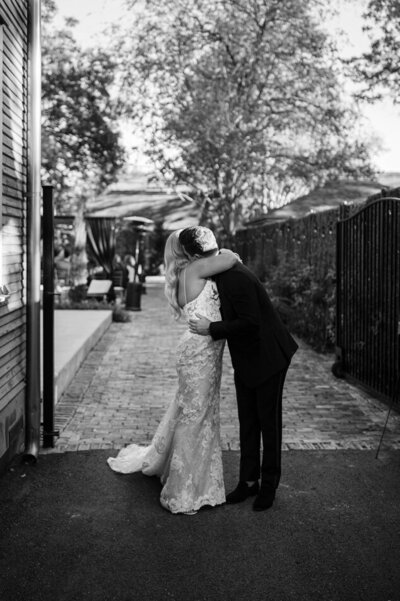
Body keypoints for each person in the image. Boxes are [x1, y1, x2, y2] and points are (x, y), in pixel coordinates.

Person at [107, 227, 240, 515]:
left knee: (196, 414)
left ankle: (191, 477)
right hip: (199, 353)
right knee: (195, 418)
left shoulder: (192, 270)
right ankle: (183, 491)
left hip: (202, 351)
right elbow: (232, 259)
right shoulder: (198, 267)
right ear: (193, 251)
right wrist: (222, 251)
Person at [188, 227, 298, 511]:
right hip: (247, 358)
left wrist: (210, 328)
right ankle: (248, 482)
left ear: (199, 256)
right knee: (248, 422)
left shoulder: (234, 277)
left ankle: (269, 485)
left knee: (268, 424)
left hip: (269, 356)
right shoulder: (222, 270)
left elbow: (251, 323)